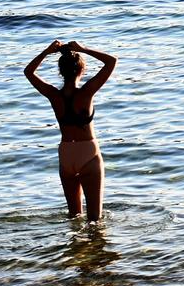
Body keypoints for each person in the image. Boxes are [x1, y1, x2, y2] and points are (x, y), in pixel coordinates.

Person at [24, 39, 117, 222]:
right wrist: (84, 49)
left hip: (66, 153)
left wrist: (46, 52)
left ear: (61, 72)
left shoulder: (53, 95)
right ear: (81, 71)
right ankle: (92, 249)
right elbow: (111, 61)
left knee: (74, 218)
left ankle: (74, 248)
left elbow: (28, 72)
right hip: (88, 152)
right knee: (94, 221)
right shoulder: (86, 93)